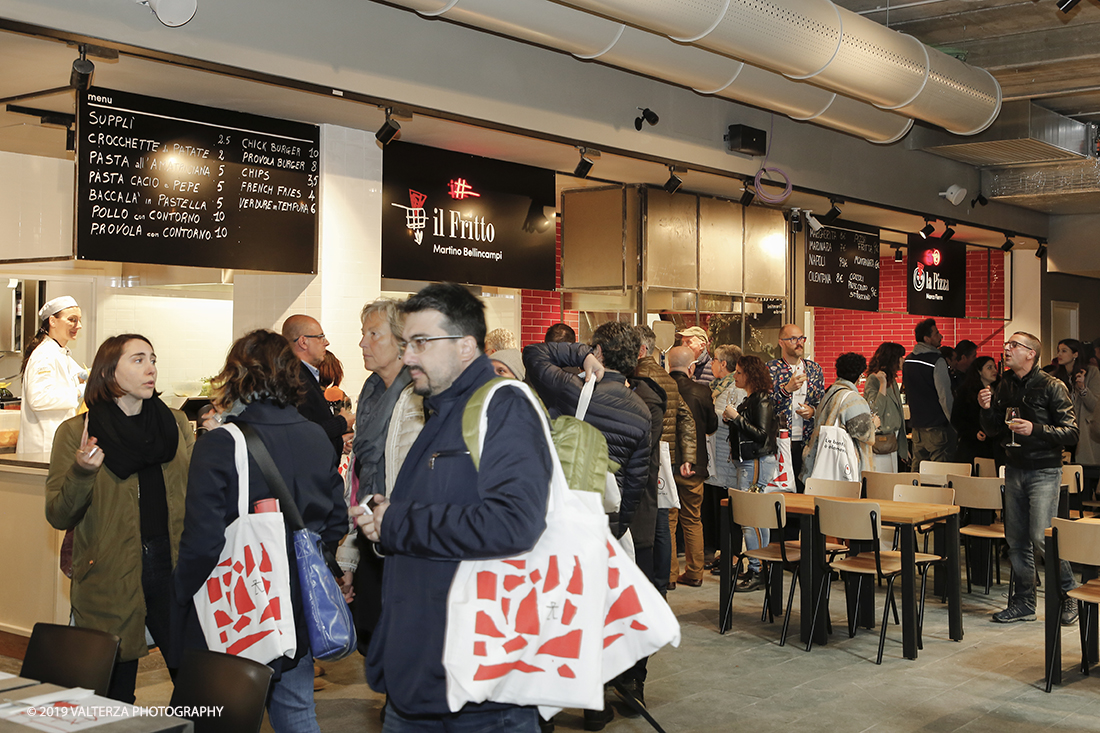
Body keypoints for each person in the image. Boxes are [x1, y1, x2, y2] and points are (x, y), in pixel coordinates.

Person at [355, 283, 552, 732]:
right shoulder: (441, 411)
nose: (408, 357)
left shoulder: (503, 408)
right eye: (407, 344)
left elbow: (514, 523)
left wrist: (400, 521)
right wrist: (385, 524)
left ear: (466, 346)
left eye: (422, 343)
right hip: (424, 673)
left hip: (480, 687)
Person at [174, 329, 347, 732]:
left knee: (220, 717)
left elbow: (202, 541)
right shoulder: (318, 437)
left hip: (239, 605)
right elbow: (337, 519)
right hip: (298, 601)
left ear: (237, 376)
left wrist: (180, 596)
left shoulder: (219, 444)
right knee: (298, 710)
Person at [45, 334, 193, 703]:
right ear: (109, 372)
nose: (151, 368)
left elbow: (193, 497)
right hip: (109, 573)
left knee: (197, 683)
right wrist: (81, 471)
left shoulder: (174, 425)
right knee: (113, 695)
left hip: (173, 566)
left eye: (153, 359)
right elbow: (59, 513)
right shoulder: (76, 434)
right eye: (138, 359)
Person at [979, 332, 1079, 625]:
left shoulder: (1052, 386)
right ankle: (1023, 602)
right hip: (1014, 468)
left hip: (1044, 470)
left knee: (1041, 536)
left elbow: (1071, 433)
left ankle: (1070, 593)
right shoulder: (1005, 385)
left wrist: (1034, 429)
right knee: (1016, 540)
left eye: (1013, 345)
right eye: (1006, 344)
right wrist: (986, 409)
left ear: (1030, 354)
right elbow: (995, 428)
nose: (1006, 349)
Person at [343, 299, 425, 658]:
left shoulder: (423, 397)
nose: (363, 343)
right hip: (370, 535)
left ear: (402, 342)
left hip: (409, 542)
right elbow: (358, 478)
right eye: (363, 334)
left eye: (374, 334)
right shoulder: (371, 394)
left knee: (405, 643)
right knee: (373, 636)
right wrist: (347, 556)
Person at [524, 322, 653, 541]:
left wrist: (581, 354)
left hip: (562, 510)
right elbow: (636, 482)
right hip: (604, 517)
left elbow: (533, 353)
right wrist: (617, 528)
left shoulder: (570, 388)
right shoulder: (642, 411)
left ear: (599, 351)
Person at [632, 325, 696, 593]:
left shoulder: (633, 378)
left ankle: (644, 582)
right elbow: (686, 417)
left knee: (641, 521)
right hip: (665, 457)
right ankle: (664, 579)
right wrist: (688, 456)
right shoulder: (667, 379)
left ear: (640, 349)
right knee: (661, 521)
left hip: (641, 457)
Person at [722, 355, 778, 592]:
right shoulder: (753, 399)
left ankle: (758, 568)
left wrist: (736, 418)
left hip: (755, 461)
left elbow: (762, 434)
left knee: (751, 519)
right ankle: (759, 567)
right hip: (749, 461)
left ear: (749, 374)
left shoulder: (762, 400)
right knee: (752, 518)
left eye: (738, 372)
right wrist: (733, 421)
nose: (735, 376)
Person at [667, 345, 717, 589]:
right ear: (691, 367)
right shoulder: (701, 391)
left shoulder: (659, 389)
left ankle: (668, 574)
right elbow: (711, 425)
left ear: (667, 365)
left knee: (667, 519)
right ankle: (695, 572)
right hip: (694, 465)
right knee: (693, 518)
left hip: (667, 465)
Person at [18, 295, 86, 455]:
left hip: (56, 443)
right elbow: (38, 399)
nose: (79, 325)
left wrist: (86, 376)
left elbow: (66, 378)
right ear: (52, 321)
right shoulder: (45, 354)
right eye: (72, 320)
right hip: (43, 446)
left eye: (79, 320)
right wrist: (78, 392)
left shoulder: (59, 352)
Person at [282, 314, 354, 462]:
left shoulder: (303, 375)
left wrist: (339, 443)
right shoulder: (294, 379)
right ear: (303, 341)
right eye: (321, 337)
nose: (326, 343)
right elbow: (300, 435)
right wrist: (342, 422)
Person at [767, 324, 824, 492]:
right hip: (779, 440)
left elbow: (821, 403)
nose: (799, 343)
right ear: (781, 343)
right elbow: (765, 406)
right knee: (781, 489)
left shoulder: (814, 369)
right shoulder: (771, 369)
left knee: (805, 487)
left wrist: (813, 412)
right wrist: (786, 390)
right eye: (793, 339)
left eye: (801, 338)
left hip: (808, 441)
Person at [802, 352, 875, 480]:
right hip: (846, 468)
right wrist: (874, 424)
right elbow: (865, 434)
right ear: (859, 376)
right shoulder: (853, 399)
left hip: (822, 462)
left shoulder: (829, 393)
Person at [902, 318, 954, 471]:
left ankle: (913, 495)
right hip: (937, 427)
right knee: (938, 471)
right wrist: (953, 421)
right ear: (927, 338)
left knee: (917, 469)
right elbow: (944, 396)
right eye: (936, 333)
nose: (940, 336)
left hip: (917, 427)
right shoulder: (937, 361)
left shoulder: (908, 361)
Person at [863, 342, 909, 472]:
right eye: (901, 356)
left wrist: (903, 449)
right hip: (882, 441)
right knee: (884, 481)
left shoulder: (892, 380)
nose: (903, 360)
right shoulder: (874, 379)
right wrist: (882, 385)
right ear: (893, 359)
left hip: (893, 439)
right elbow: (874, 410)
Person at [951, 356, 999, 467]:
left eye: (994, 367)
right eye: (989, 368)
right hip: (972, 446)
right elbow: (956, 418)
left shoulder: (1000, 389)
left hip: (994, 446)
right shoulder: (966, 391)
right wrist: (973, 432)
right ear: (979, 371)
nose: (994, 371)